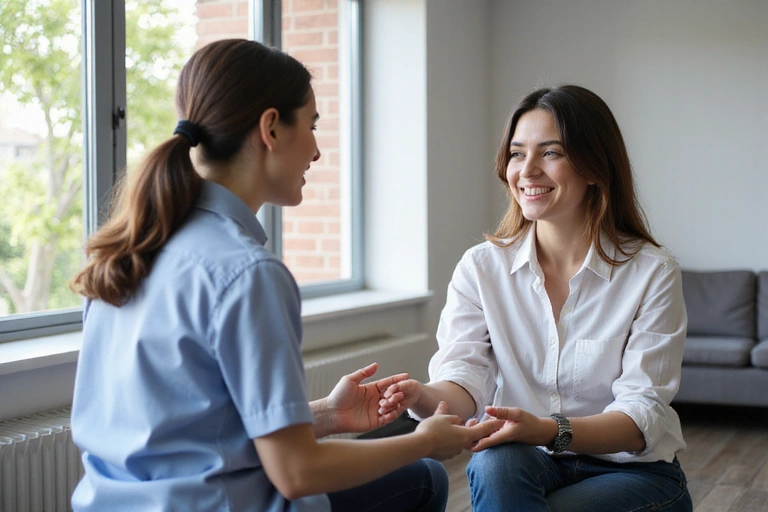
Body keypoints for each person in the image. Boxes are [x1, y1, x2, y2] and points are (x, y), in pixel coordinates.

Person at [68, 38, 500, 512]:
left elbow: (185, 434)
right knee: (425, 477)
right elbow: (296, 474)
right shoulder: (247, 273)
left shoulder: (126, 252)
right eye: (312, 125)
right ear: (271, 127)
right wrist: (423, 441)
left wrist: (327, 415)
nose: (316, 151)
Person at [378, 85, 693, 511]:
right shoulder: (481, 268)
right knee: (495, 463)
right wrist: (420, 396)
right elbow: (464, 379)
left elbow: (641, 417)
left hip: (632, 471)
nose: (527, 171)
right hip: (526, 461)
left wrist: (547, 429)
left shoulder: (652, 272)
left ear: (595, 167)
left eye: (550, 153)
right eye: (516, 153)